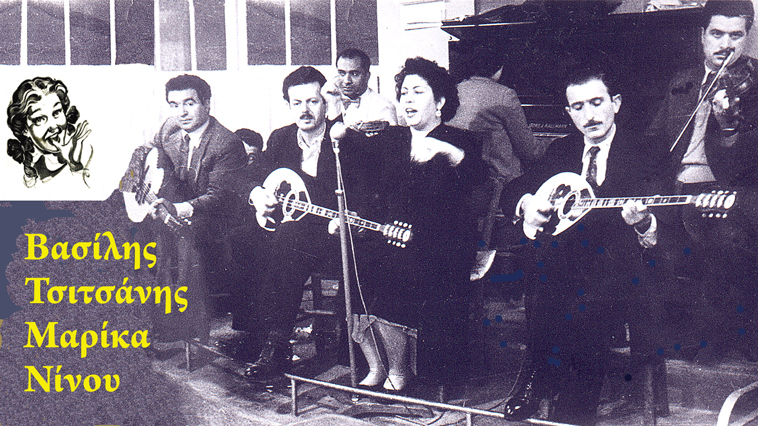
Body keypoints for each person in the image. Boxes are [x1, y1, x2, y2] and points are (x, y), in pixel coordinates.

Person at [503, 65, 661, 425]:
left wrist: (643, 222)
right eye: (578, 107)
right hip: (566, 274)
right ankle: (557, 393)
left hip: (624, 273)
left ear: (615, 103)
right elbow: (516, 188)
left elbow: (661, 229)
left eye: (596, 102)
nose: (589, 115)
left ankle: (554, 394)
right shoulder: (562, 150)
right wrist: (528, 204)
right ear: (568, 112)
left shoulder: (644, 150)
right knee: (549, 273)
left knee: (578, 296)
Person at [333, 57, 487, 392]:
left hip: (442, 242)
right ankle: (376, 364)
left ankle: (400, 370)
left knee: (396, 266)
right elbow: (360, 175)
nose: (408, 100)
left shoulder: (461, 140)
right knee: (357, 263)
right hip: (393, 234)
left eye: (418, 92)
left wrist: (449, 153)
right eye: (404, 93)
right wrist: (341, 130)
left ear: (440, 101)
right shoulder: (393, 138)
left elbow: (478, 182)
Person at [644, 0, 758, 363]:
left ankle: (719, 338)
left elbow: (747, 165)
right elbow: (655, 140)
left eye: (736, 35)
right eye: (717, 34)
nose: (726, 44)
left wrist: (729, 126)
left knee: (723, 240)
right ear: (702, 36)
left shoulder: (753, 84)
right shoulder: (684, 80)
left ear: (747, 36)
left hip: (728, 191)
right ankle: (666, 337)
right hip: (675, 190)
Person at [245, 66, 353, 382]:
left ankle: (275, 345)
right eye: (297, 103)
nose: (304, 110)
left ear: (326, 102)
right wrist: (258, 193)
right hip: (291, 235)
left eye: (312, 101)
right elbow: (253, 176)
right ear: (288, 105)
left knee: (288, 237)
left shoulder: (343, 137)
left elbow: (359, 191)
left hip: (335, 235)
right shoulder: (280, 138)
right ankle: (257, 335)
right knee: (244, 237)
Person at [123, 74, 246, 342]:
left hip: (215, 223)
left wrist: (176, 209)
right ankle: (138, 317)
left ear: (207, 103)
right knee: (126, 229)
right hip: (172, 210)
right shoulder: (170, 128)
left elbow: (217, 198)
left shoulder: (226, 143)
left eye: (189, 103)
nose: (182, 112)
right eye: (174, 105)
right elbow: (142, 151)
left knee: (180, 237)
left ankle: (182, 326)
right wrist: (132, 177)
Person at [6, 76, 92, 188]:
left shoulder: (88, 151)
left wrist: (75, 166)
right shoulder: (34, 171)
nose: (53, 126)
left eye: (56, 112)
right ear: (24, 130)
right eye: (39, 119)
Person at [322, 48, 398, 127]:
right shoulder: (329, 101)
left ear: (367, 76)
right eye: (342, 73)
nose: (347, 81)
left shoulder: (383, 107)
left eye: (354, 74)